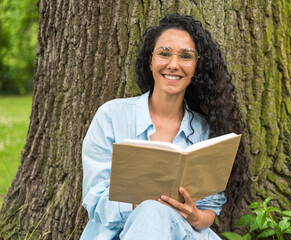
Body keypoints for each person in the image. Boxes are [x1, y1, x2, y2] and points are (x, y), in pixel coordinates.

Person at [81, 12, 248, 240]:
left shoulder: (206, 130)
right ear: (150, 60)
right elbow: (94, 199)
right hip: (117, 234)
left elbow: (211, 207)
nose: (173, 64)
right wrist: (141, 206)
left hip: (183, 233)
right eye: (164, 53)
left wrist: (195, 216)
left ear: (197, 67)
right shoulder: (111, 116)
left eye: (186, 56)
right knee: (151, 210)